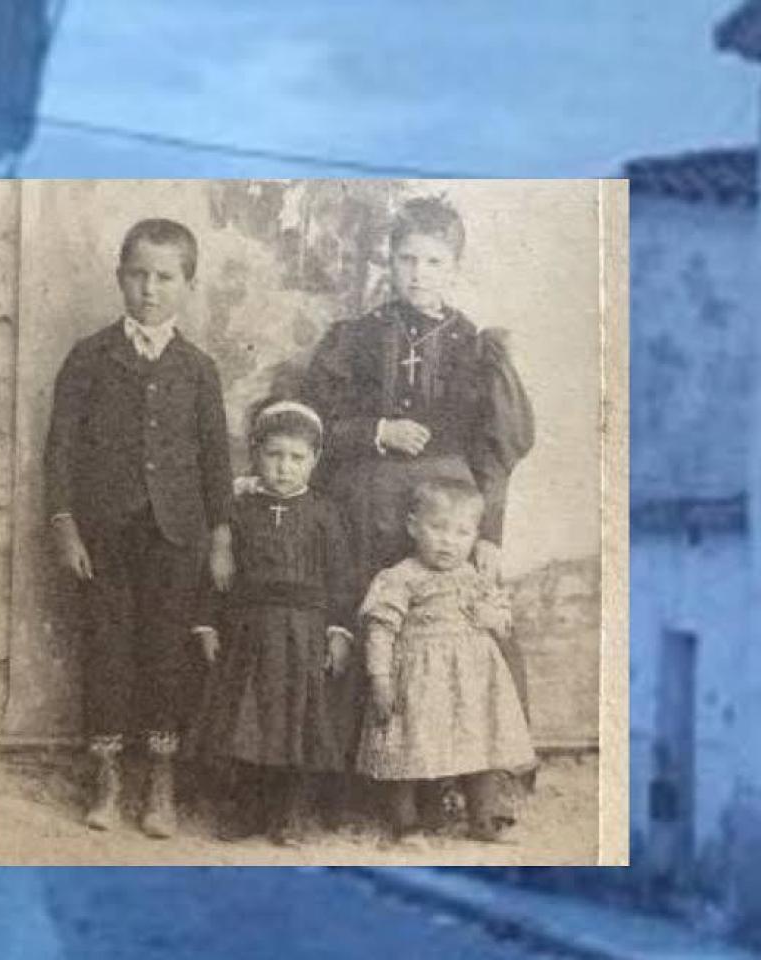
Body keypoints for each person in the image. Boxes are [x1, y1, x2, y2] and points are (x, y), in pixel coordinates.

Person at [301, 196, 534, 721]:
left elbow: (496, 452)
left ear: (455, 268)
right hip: (366, 505)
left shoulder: (476, 349)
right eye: (407, 259)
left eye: (433, 262)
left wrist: (490, 532)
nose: (418, 274)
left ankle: (462, 771)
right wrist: (377, 430)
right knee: (368, 614)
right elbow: (314, 425)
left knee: (459, 621)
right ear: (390, 258)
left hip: (448, 510)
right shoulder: (357, 336)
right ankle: (364, 775)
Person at [44, 217, 234, 838]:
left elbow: (215, 460)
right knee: (107, 650)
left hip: (178, 535)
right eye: (138, 275)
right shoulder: (90, 356)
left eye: (165, 277)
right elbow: (61, 449)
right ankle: (106, 779)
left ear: (187, 285)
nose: (149, 290)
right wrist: (67, 524)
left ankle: (160, 781)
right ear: (120, 277)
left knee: (166, 655)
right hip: (104, 535)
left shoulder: (198, 368)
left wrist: (222, 535)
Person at [196, 401, 359, 846]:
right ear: (256, 454)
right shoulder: (239, 512)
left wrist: (339, 631)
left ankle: (290, 812)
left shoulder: (325, 514)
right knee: (249, 724)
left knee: (296, 723)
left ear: (314, 460)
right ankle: (248, 807)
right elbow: (215, 577)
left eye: (296, 458)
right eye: (274, 455)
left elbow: (342, 579)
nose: (284, 468)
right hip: (250, 633)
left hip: (303, 634)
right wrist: (208, 625)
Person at [356, 478, 534, 846]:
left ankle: (481, 819)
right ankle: (406, 824)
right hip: (420, 681)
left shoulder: (474, 577)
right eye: (437, 528)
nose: (448, 541)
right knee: (409, 746)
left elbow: (501, 620)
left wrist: (494, 617)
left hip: (472, 681)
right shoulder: (401, 577)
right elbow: (380, 629)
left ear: (474, 537)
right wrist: (380, 678)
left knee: (481, 743)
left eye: (461, 532)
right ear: (413, 527)